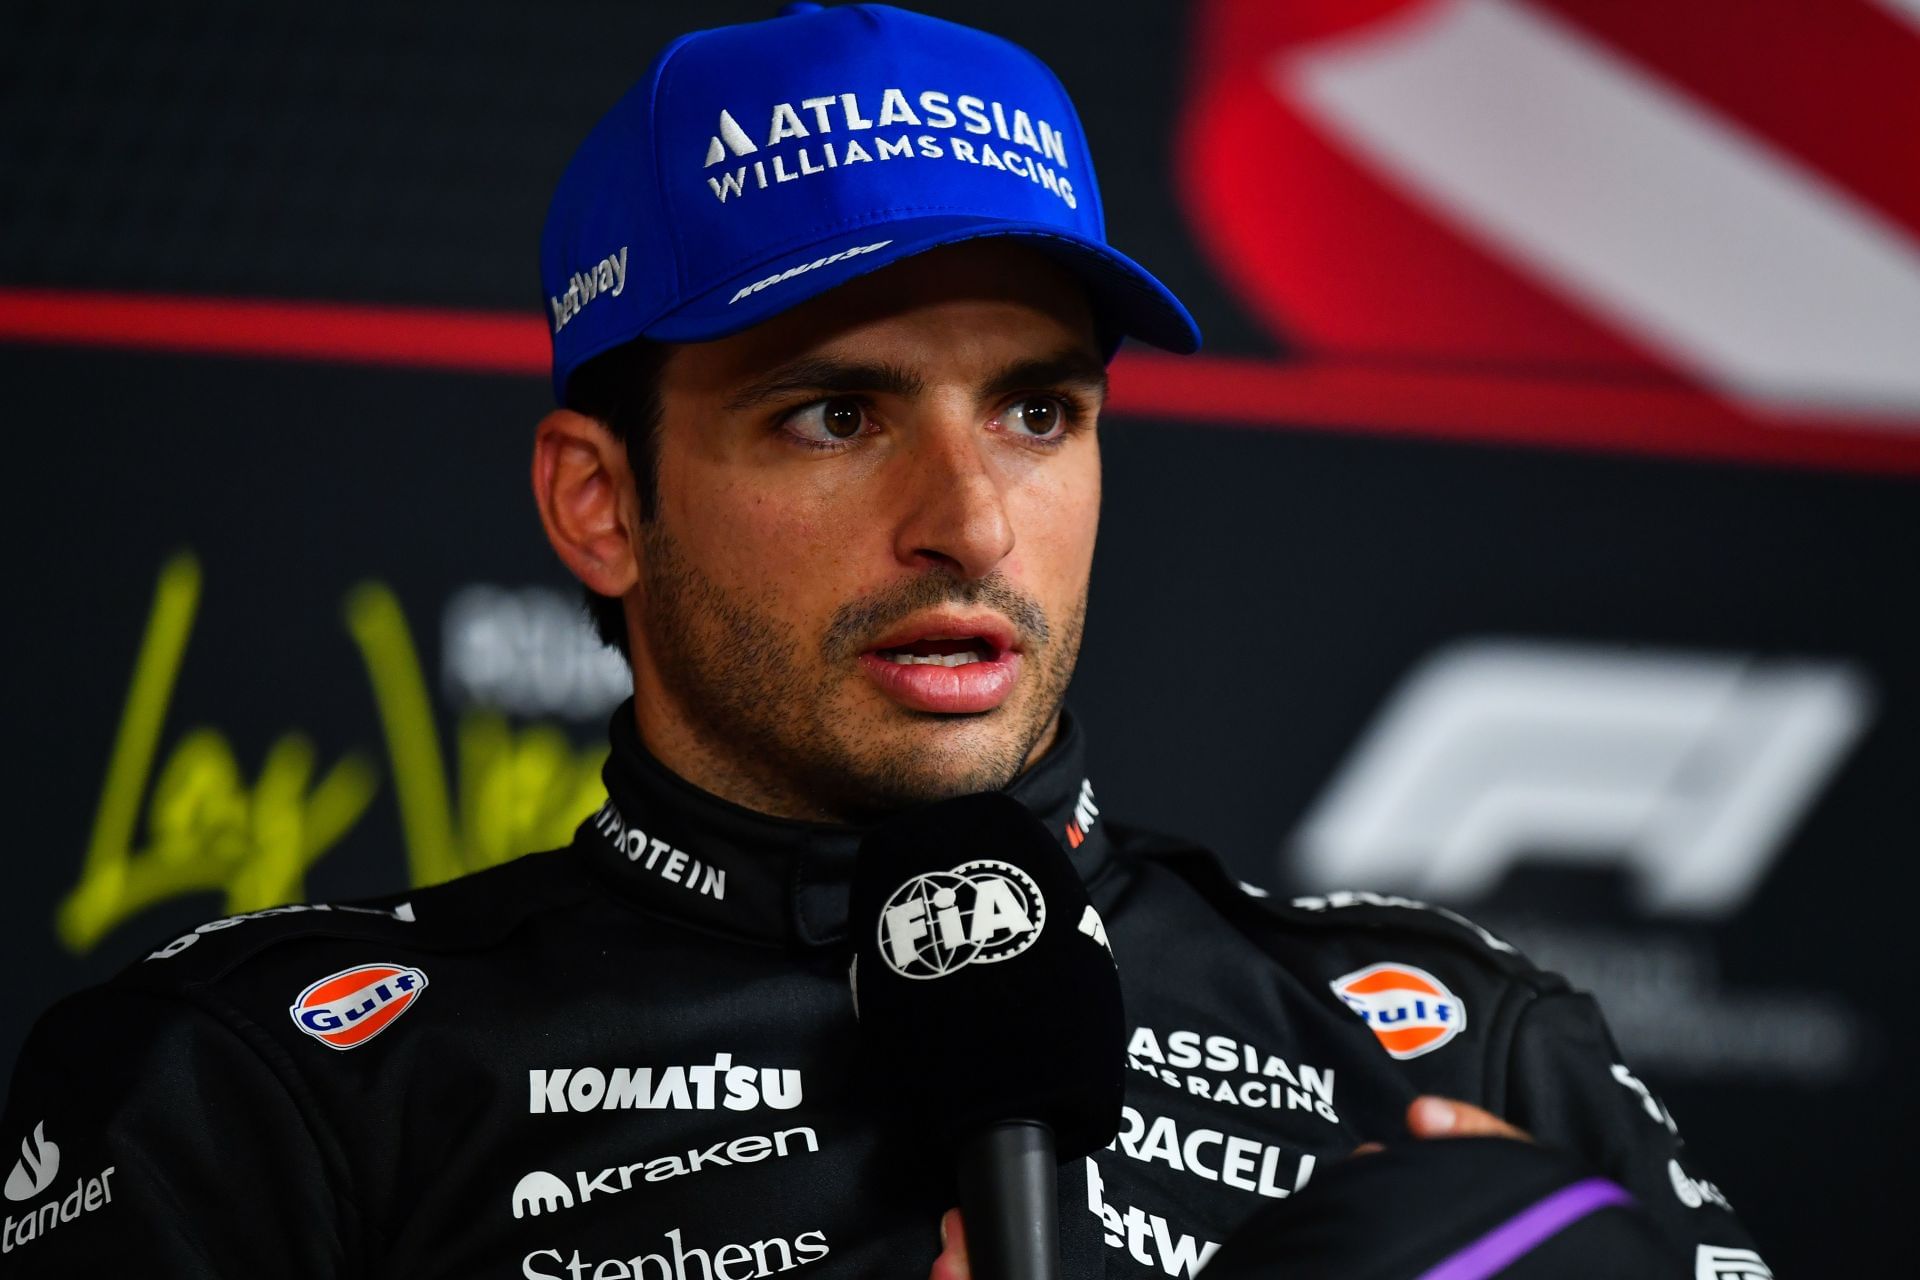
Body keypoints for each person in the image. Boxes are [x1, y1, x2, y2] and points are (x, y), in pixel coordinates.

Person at [1, 5, 1768, 1277]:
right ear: (599, 504)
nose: (971, 521)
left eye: (1036, 412)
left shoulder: (1453, 1054)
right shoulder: (267, 1090)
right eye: (836, 417)